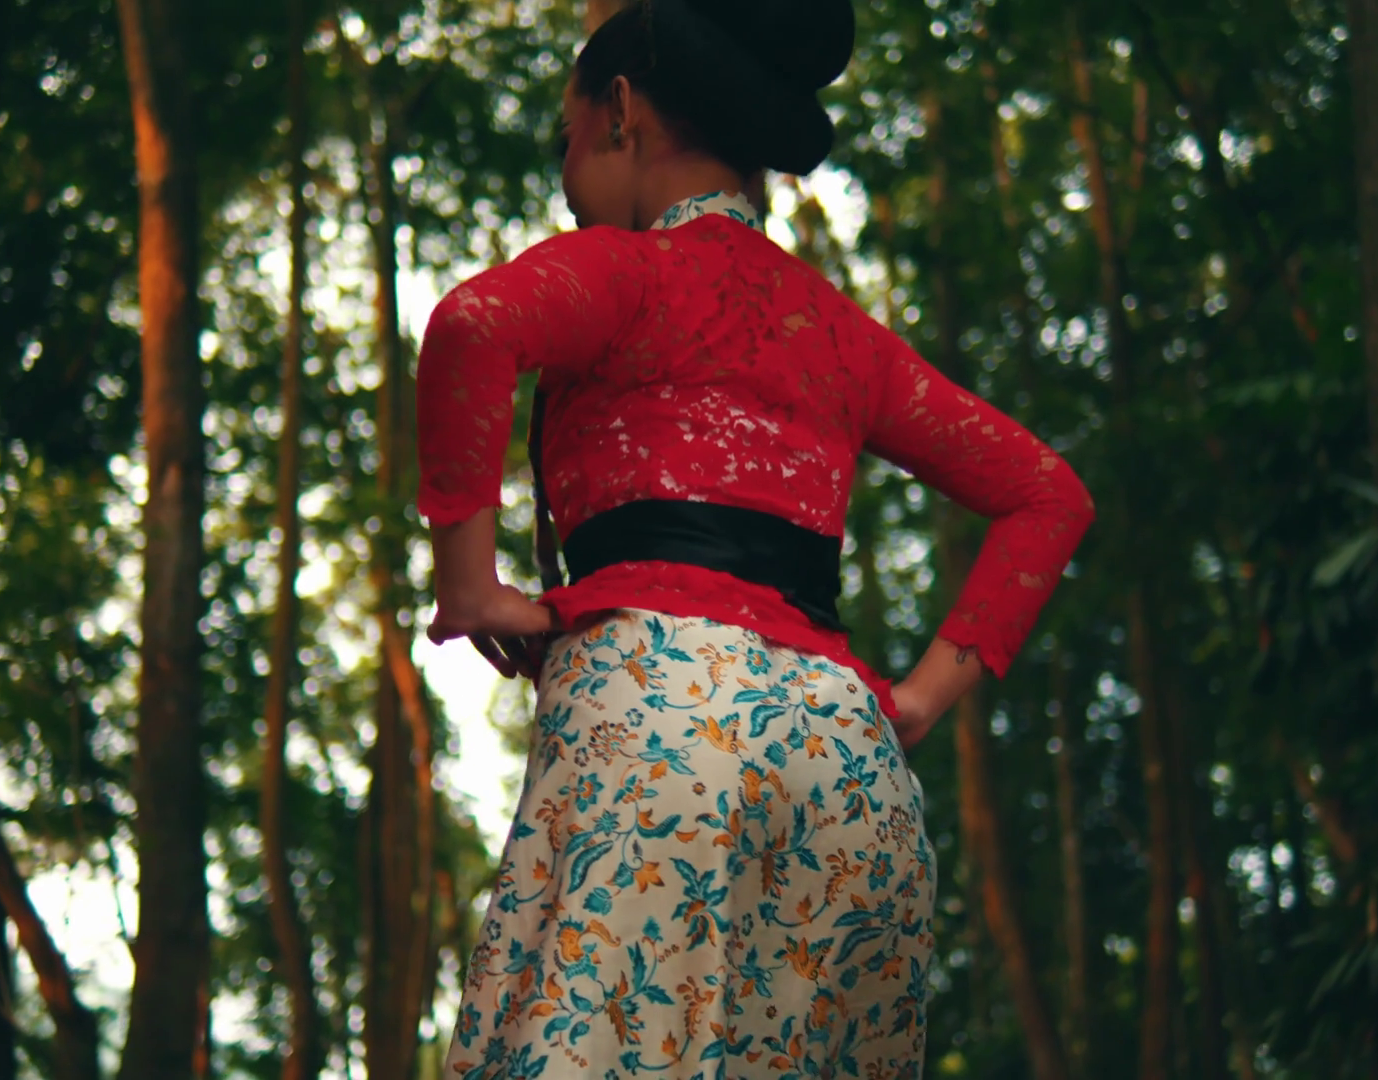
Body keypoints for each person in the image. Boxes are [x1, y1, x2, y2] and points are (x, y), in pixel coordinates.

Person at [413, 0, 1094, 1074]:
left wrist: (469, 587)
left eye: (566, 139)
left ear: (621, 112)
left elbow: (472, 324)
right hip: (851, 767)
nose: (567, 177)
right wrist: (919, 699)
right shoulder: (837, 331)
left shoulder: (625, 272)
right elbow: (1048, 496)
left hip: (654, 724)